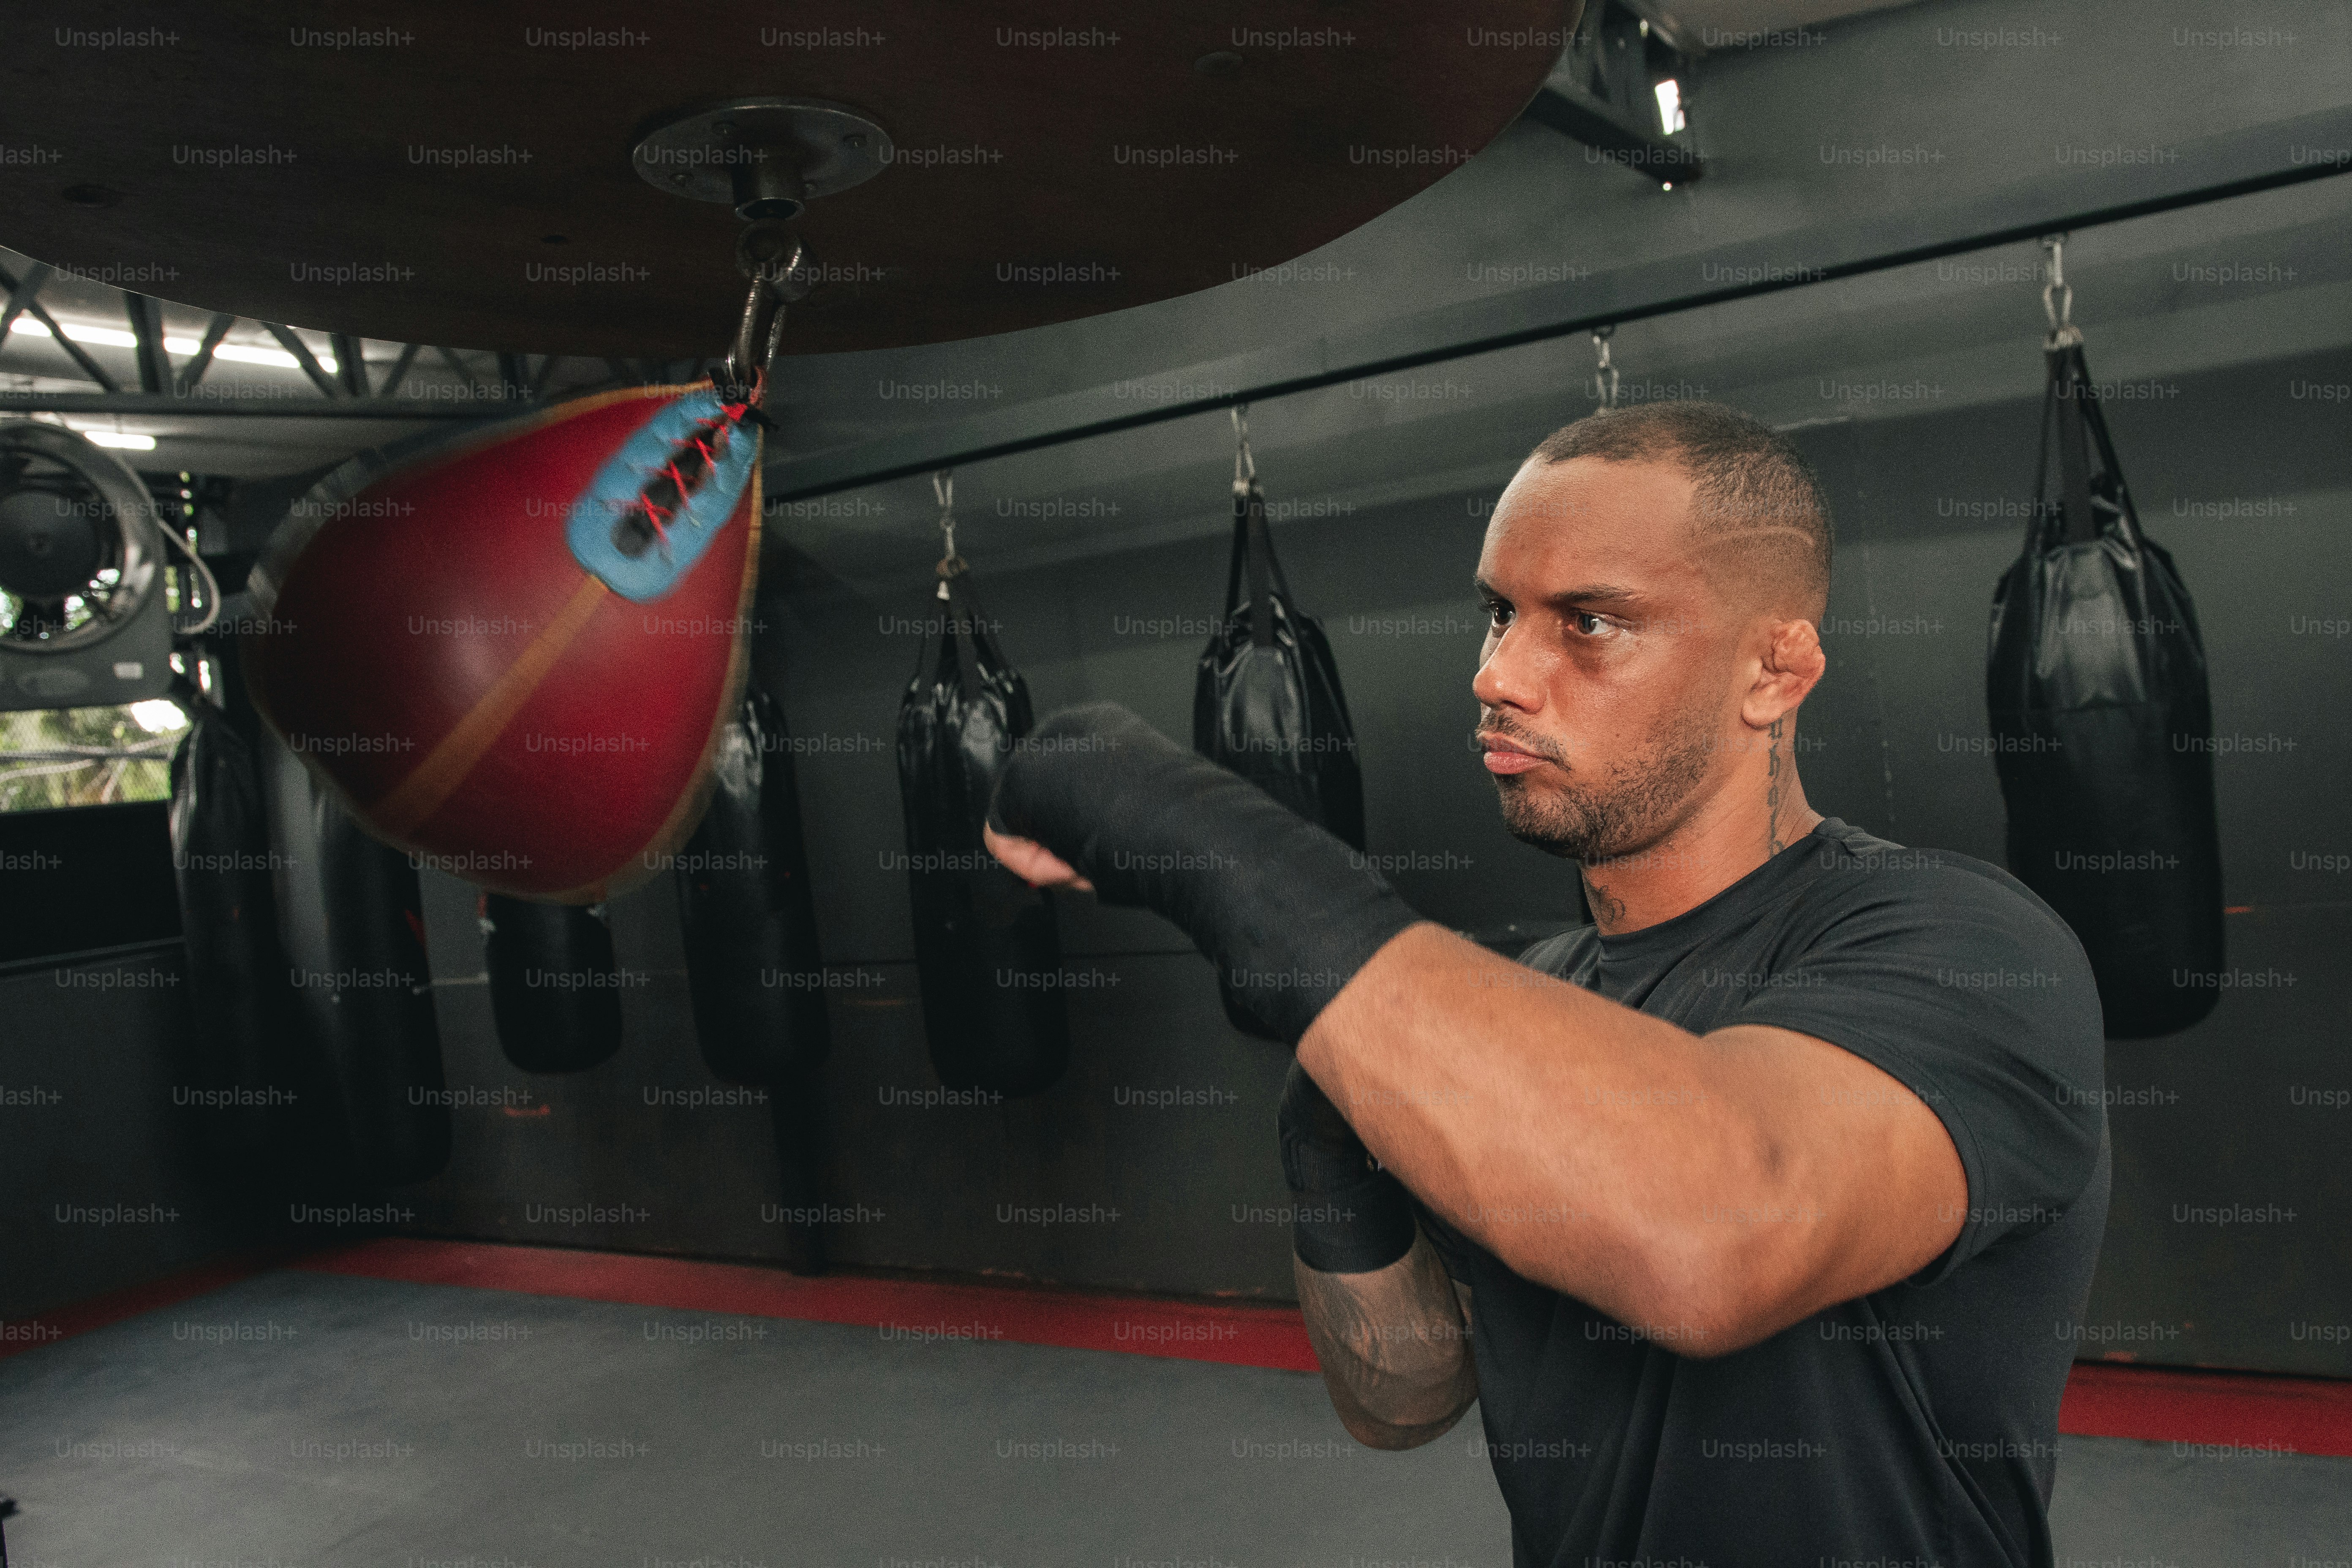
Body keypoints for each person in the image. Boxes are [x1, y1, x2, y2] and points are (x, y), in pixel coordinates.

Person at [984, 400, 2110, 1568]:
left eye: (1589, 623)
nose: (1500, 675)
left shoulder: (1961, 943)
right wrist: (1331, 1150)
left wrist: (1211, 843)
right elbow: (1402, 1403)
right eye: (1498, 615)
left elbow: (1720, 1232)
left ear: (1775, 671)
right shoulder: (1521, 1016)